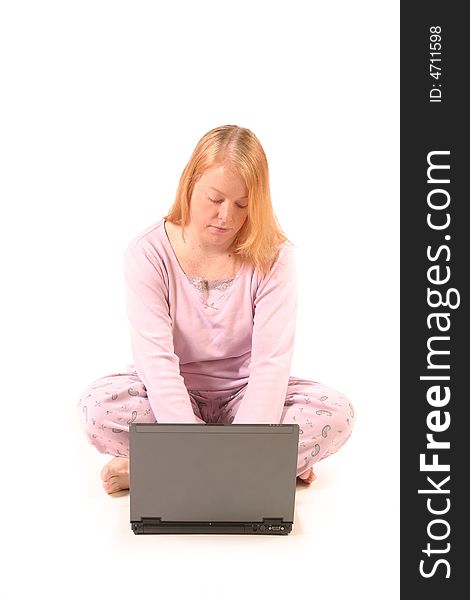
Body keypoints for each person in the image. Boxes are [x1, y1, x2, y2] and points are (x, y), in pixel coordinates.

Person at [78, 124, 355, 494]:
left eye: (242, 205)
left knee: (337, 413)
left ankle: (158, 468)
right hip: (172, 394)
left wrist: (241, 441)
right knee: (96, 409)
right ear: (190, 184)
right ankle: (261, 468)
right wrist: (226, 450)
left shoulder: (275, 257)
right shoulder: (147, 253)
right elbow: (156, 363)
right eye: (215, 198)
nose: (226, 216)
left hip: (247, 393)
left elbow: (271, 364)